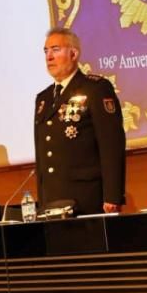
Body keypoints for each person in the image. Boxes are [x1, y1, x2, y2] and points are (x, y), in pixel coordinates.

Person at [34, 27, 126, 216]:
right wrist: (42, 199)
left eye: (56, 49)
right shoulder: (43, 99)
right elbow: (43, 155)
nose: (49, 57)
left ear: (74, 53)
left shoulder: (95, 88)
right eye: (46, 51)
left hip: (86, 198)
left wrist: (112, 195)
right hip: (52, 200)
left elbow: (111, 144)